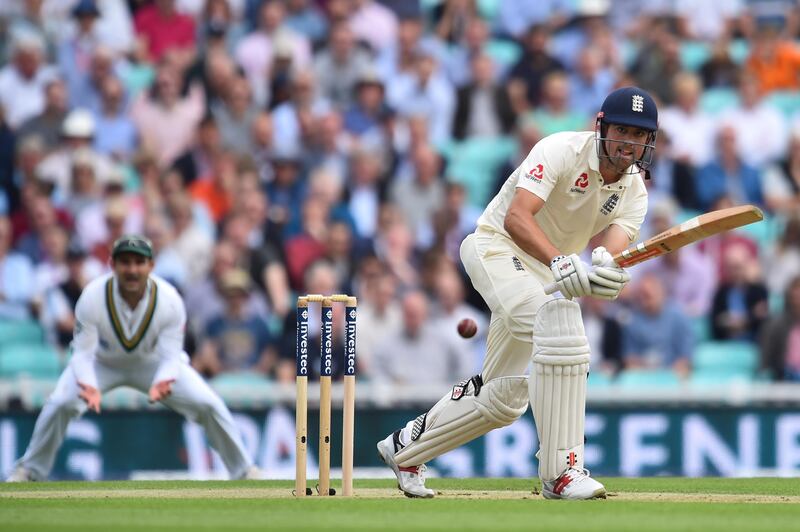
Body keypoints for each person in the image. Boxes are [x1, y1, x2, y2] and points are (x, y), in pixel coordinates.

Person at [377, 87, 658, 499]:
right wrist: (563, 261)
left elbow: (607, 253)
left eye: (639, 135)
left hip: (545, 273)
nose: (629, 143)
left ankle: (406, 447)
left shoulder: (635, 193)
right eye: (621, 131)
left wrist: (605, 274)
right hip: (496, 248)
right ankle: (562, 471)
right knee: (559, 324)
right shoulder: (560, 149)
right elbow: (516, 217)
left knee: (503, 396)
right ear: (601, 127)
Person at [6, 235, 260, 482]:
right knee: (60, 403)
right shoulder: (93, 296)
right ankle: (30, 471)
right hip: (101, 364)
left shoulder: (169, 299)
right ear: (112, 265)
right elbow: (82, 354)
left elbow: (172, 355)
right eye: (125, 262)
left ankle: (243, 471)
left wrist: (163, 381)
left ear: (151, 266)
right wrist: (88, 385)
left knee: (208, 403)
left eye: (139, 263)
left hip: (154, 364)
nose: (132, 270)